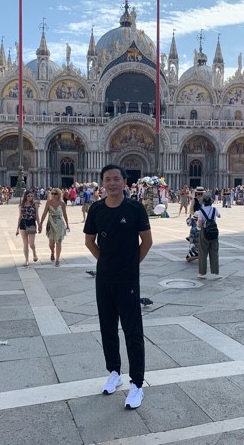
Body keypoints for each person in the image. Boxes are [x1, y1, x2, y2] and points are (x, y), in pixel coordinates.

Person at [84, 164, 152, 410]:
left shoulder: (135, 208)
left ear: (124, 182)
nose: (112, 183)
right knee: (107, 327)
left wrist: (131, 264)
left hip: (128, 279)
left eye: (116, 179)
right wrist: (105, 261)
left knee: (132, 331)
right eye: (107, 179)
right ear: (103, 183)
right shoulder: (96, 209)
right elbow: (89, 241)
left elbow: (147, 241)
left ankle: (137, 384)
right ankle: (114, 371)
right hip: (104, 278)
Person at [38, 188, 69, 267]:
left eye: (55, 194)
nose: (53, 195)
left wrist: (67, 224)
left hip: (59, 224)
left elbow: (65, 214)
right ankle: (52, 252)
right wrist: (40, 224)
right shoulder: (48, 202)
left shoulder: (62, 203)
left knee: (59, 241)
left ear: (59, 194)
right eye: (52, 193)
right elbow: (44, 213)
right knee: (51, 243)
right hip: (51, 224)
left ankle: (57, 260)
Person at [197, 193, 221, 279]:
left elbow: (199, 224)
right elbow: (219, 216)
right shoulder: (214, 209)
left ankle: (202, 273)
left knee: (203, 252)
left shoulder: (201, 211)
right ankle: (215, 273)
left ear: (203, 202)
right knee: (214, 252)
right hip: (214, 232)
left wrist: (197, 224)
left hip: (204, 232)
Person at [16, 190, 39, 266]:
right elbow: (20, 217)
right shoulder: (21, 205)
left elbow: (37, 216)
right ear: (25, 196)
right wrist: (17, 228)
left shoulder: (35, 205)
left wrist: (39, 225)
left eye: (31, 196)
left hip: (31, 223)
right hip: (23, 223)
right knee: (25, 243)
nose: (30, 197)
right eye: (28, 196)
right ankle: (26, 260)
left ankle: (34, 253)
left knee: (31, 243)